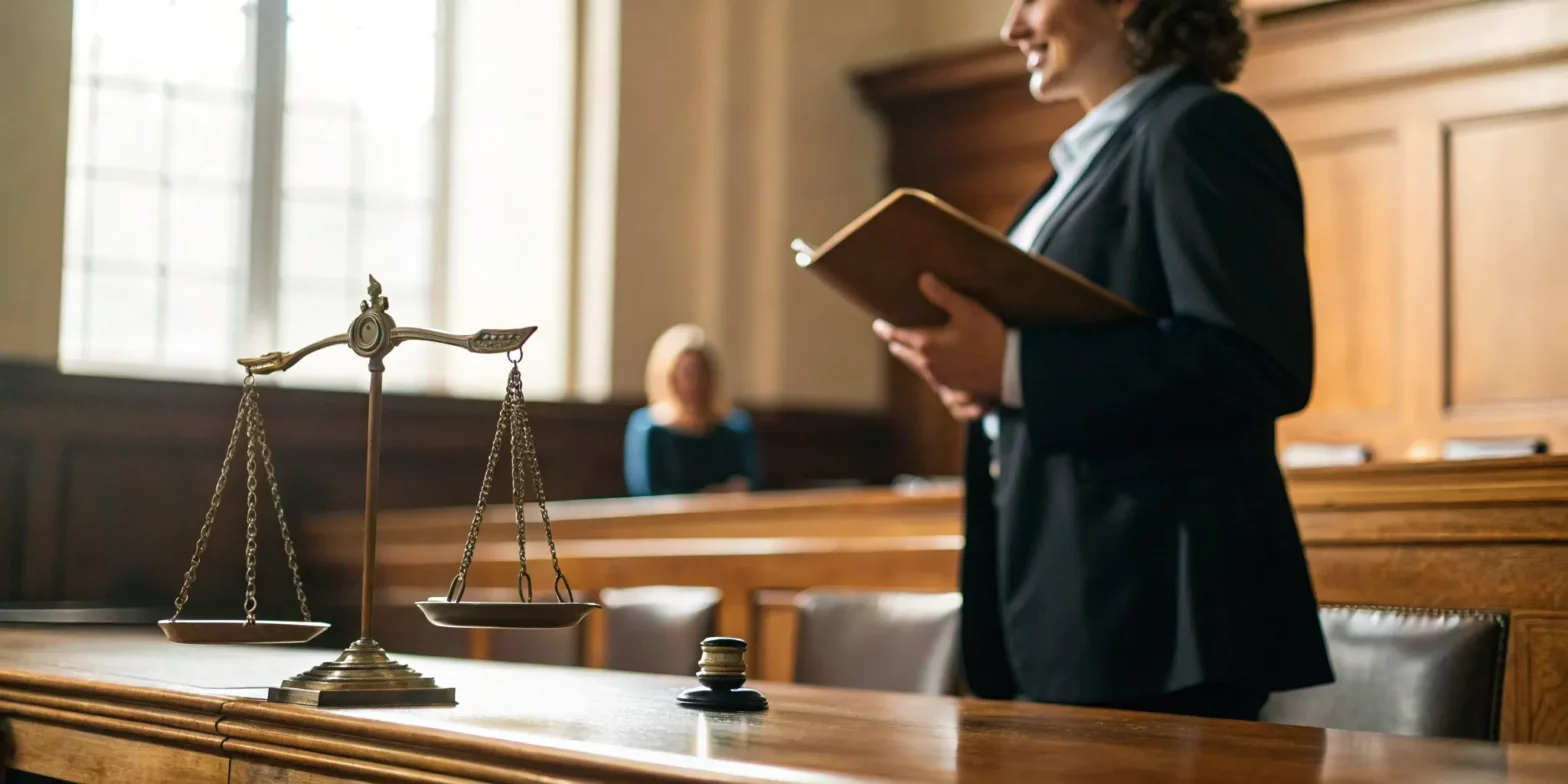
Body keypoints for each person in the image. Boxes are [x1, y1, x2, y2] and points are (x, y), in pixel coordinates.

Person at [872, 0, 1334, 720]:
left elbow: (1253, 359)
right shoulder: (1084, 166)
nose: (1011, 28)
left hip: (1158, 619)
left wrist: (1014, 366)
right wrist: (989, 388)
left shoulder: (1202, 130)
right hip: (1072, 603)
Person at [624, 324, 761, 497]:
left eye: (701, 373)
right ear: (669, 376)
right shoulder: (650, 429)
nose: (693, 384)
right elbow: (647, 493)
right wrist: (706, 497)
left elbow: (750, 482)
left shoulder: (735, 428)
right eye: (686, 373)